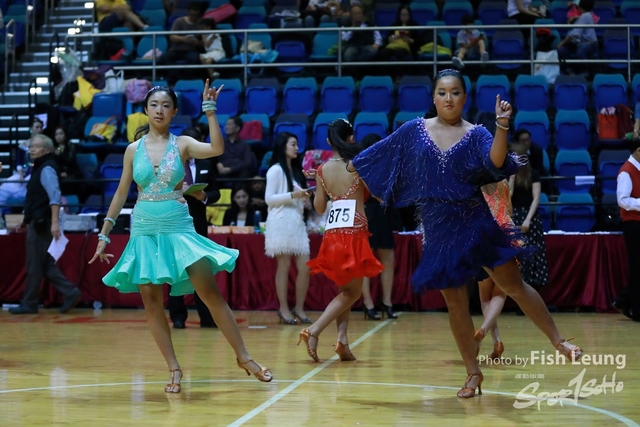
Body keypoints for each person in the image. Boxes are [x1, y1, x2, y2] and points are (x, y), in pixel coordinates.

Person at [348, 69, 584, 398]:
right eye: (442, 92)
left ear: (465, 98)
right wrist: (360, 174)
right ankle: (473, 373)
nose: (449, 98)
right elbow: (370, 158)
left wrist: (502, 125)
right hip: (439, 229)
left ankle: (558, 341)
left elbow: (496, 162)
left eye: (455, 92)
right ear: (433, 98)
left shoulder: (476, 134)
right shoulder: (414, 130)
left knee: (513, 284)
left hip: (476, 222)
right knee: (456, 305)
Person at [89, 83, 272, 393]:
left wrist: (210, 111)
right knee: (152, 304)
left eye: (165, 105)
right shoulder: (133, 150)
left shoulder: (183, 144)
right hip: (144, 229)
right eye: (154, 104)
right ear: (145, 110)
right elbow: (121, 193)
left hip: (179, 227)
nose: (159, 110)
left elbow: (216, 149)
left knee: (210, 294)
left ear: (174, 111)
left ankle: (244, 357)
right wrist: (104, 233)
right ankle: (174, 368)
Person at [299, 119, 384, 362]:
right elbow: (378, 195)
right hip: (354, 235)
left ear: (328, 141)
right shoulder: (357, 165)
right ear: (351, 138)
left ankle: (342, 342)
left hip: (332, 235)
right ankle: (314, 330)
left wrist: (319, 184)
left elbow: (319, 207)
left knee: (344, 290)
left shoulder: (322, 170)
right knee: (352, 293)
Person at [9, 134, 82, 315]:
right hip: (39, 221)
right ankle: (70, 292)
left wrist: (55, 223)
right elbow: (35, 199)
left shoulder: (47, 168)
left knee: (34, 264)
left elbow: (55, 197)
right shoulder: (39, 167)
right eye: (31, 146)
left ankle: (30, 303)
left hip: (43, 223)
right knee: (46, 264)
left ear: (47, 150)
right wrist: (25, 221)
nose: (32, 149)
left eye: (36, 146)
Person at [167, 127, 220, 330]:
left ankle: (206, 317)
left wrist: (204, 195)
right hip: (175, 221)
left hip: (197, 222)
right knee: (176, 268)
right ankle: (177, 317)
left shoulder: (206, 163)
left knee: (201, 269)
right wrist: (176, 191)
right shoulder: (171, 164)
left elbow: (216, 192)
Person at [264, 132, 312, 325]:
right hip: (280, 221)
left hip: (297, 222)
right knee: (283, 266)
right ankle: (283, 309)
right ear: (283, 146)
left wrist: (304, 200)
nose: (296, 148)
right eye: (293, 144)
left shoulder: (297, 171)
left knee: (305, 266)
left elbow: (297, 197)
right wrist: (293, 195)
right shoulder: (275, 170)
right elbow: (269, 199)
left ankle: (299, 308)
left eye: (297, 144)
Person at [474, 180, 514, 360]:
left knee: (484, 296)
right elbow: (509, 211)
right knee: (500, 293)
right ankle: (494, 340)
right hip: (506, 236)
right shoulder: (503, 182)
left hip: (484, 237)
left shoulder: (474, 181)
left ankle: (489, 335)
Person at [359, 133, 397, 321]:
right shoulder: (360, 165)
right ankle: (368, 304)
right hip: (366, 211)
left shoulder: (387, 165)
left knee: (388, 257)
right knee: (366, 260)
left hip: (383, 213)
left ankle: (387, 302)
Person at [509, 142, 549, 288]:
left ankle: (534, 287)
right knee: (517, 255)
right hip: (514, 216)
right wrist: (512, 177)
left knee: (533, 253)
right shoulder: (509, 175)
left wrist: (527, 220)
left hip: (529, 217)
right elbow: (508, 196)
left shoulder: (533, 174)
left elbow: (536, 198)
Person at [613, 138, 640, 322]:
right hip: (633, 225)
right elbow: (622, 200)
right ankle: (635, 308)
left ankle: (624, 300)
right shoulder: (626, 171)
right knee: (637, 266)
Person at [157, 2, 204, 83]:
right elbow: (172, 36)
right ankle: (177, 78)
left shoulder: (201, 24)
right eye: (192, 14)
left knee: (194, 58)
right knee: (164, 58)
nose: (193, 17)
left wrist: (197, 43)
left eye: (196, 15)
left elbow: (203, 42)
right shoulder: (179, 21)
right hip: (176, 50)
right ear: (188, 12)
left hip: (191, 50)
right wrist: (183, 39)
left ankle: (187, 79)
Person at [0, 118, 42, 207]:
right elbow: (19, 162)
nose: (39, 129)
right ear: (31, 128)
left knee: (28, 185)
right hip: (23, 172)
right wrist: (21, 175)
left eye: (41, 127)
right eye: (37, 127)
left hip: (37, 172)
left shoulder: (44, 145)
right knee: (6, 185)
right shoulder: (24, 145)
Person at [557, 0, 597, 70]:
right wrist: (575, 19)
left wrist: (561, 43)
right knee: (562, 50)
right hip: (579, 42)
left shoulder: (585, 16)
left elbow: (574, 33)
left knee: (580, 52)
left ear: (580, 7)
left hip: (589, 43)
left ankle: (584, 72)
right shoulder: (586, 15)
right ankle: (569, 70)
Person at [53, 126, 81, 196]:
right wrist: (59, 173)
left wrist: (60, 155)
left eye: (61, 134)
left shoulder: (71, 146)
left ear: (65, 135)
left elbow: (69, 161)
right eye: (56, 134)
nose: (58, 136)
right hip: (59, 173)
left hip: (71, 171)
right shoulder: (53, 148)